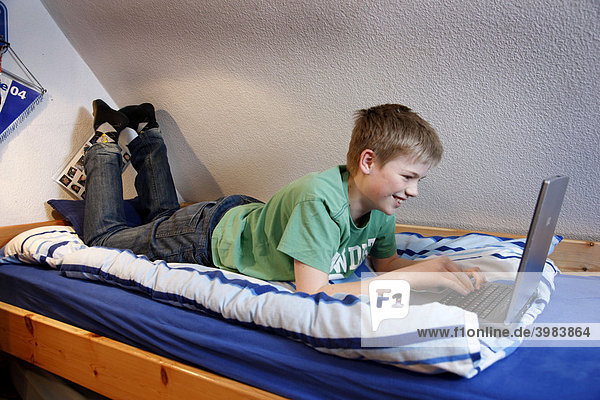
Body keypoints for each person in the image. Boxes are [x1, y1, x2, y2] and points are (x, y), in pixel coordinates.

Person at [84, 100, 483, 296]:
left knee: (163, 218)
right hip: (208, 236)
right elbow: (313, 291)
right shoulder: (321, 201)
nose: (413, 191)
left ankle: (146, 131)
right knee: (102, 242)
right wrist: (413, 280)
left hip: (242, 217)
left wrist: (431, 267)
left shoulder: (381, 206)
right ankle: (104, 138)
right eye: (409, 177)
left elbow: (386, 264)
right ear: (368, 162)